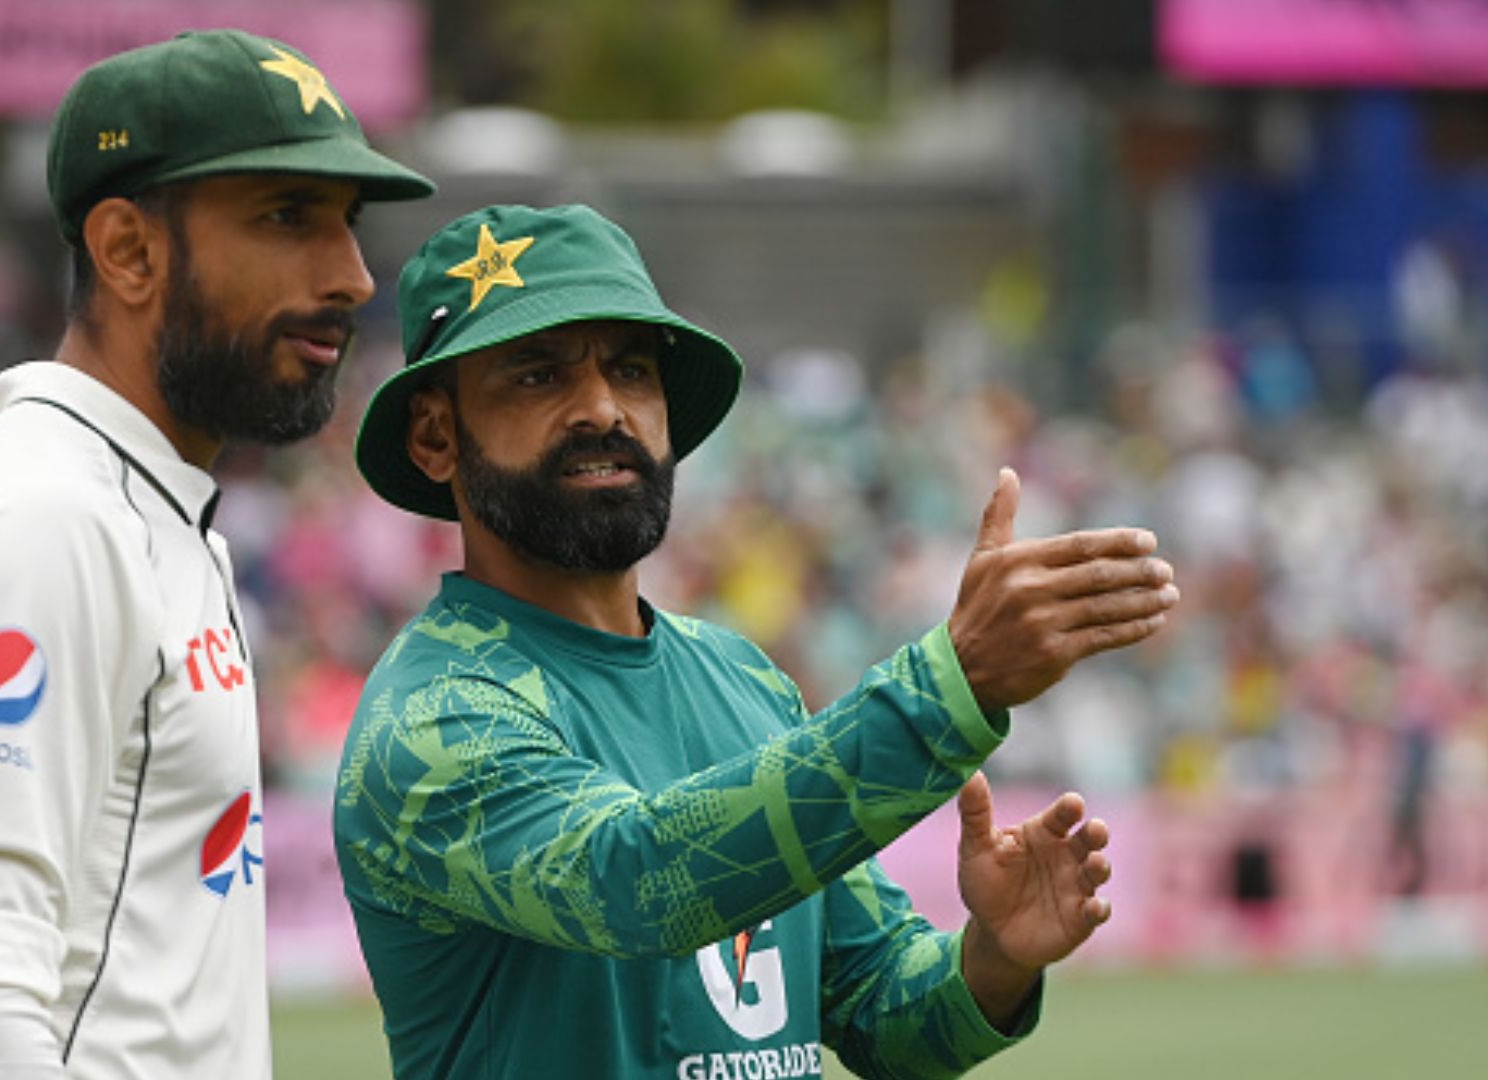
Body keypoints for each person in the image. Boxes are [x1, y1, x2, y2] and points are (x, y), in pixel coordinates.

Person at [334, 204, 1178, 1079]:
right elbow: (638, 883)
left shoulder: (740, 678)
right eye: (537, 376)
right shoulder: (430, 719)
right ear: (436, 435)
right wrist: (950, 688)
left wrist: (995, 959)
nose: (601, 408)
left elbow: (875, 1007)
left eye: (630, 369)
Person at [0, 30, 433, 1079]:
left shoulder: (145, 509)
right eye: (288, 217)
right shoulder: (39, 518)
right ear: (128, 251)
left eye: (349, 223)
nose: (351, 276)